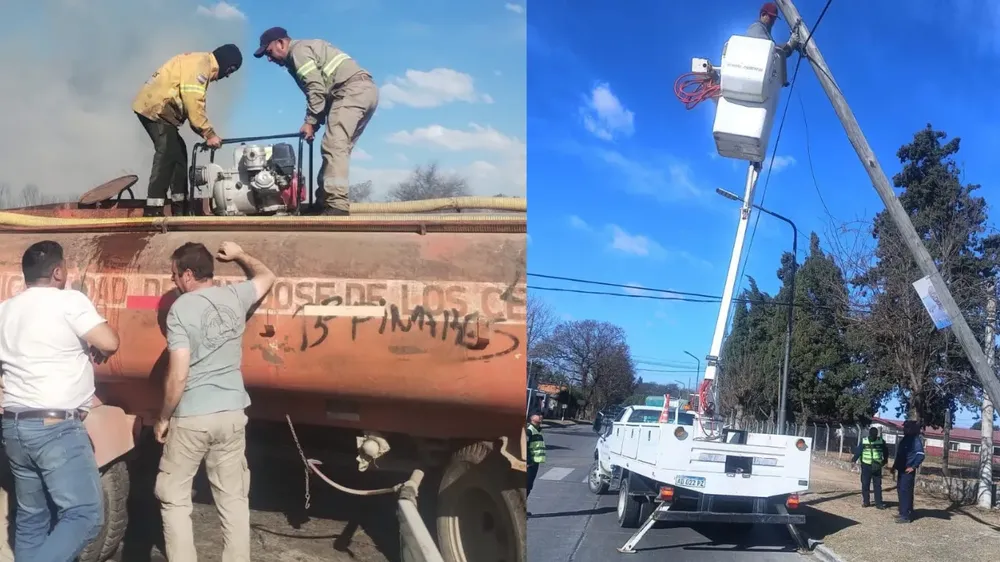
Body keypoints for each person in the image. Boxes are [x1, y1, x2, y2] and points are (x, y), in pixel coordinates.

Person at [153, 240, 276, 561]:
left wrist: (164, 416)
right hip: (232, 413)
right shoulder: (235, 295)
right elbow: (267, 276)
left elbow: (178, 374)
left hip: (193, 416)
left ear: (189, 275)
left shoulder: (181, 309)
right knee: (233, 499)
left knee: (175, 496)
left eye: (175, 275)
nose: (173, 281)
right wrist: (239, 256)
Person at [0, 240, 120, 561]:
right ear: (57, 271)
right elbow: (109, 341)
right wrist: (93, 346)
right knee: (85, 514)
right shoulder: (69, 301)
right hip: (56, 427)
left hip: (14, 426)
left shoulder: (5, 310)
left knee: (31, 518)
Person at [254, 27, 378, 216]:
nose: (269, 59)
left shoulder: (298, 52)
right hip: (363, 92)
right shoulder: (304, 50)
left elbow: (316, 90)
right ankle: (323, 202)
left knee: (334, 146)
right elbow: (322, 95)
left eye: (269, 53)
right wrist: (313, 124)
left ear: (281, 43)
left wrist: (310, 122)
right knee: (336, 148)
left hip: (351, 90)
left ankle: (337, 206)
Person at [133, 44, 244, 217]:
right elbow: (194, 104)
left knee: (179, 154)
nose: (227, 76)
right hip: (156, 109)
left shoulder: (200, 61)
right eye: (230, 71)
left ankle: (180, 207)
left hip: (160, 111)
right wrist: (209, 134)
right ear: (228, 66)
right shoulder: (201, 66)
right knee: (167, 152)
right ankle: (153, 210)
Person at [747, 2, 797, 87]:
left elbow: (777, 53)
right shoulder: (756, 27)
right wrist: (789, 44)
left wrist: (791, 47)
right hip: (753, 72)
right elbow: (766, 48)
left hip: (762, 77)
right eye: (771, 17)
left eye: (774, 18)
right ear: (763, 15)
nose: (773, 21)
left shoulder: (766, 34)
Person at [892, 420, 925, 524]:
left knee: (905, 492)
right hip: (901, 470)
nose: (904, 429)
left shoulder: (915, 440)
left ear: (912, 429)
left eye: (906, 427)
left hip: (907, 471)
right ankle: (905, 511)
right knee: (901, 491)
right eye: (904, 427)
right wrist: (894, 466)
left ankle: (905, 516)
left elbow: (920, 455)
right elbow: (899, 455)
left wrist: (913, 467)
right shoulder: (905, 439)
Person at [851, 427, 888, 509]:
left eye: (875, 435)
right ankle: (866, 502)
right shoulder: (864, 441)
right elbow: (859, 452)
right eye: (872, 435)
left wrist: (884, 461)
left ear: (877, 434)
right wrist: (853, 460)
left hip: (877, 466)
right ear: (870, 434)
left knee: (877, 485)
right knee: (865, 484)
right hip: (866, 465)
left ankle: (879, 503)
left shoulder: (881, 441)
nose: (873, 437)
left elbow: (885, 451)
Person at [526, 412, 546, 517]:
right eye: (538, 414)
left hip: (535, 463)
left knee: (529, 486)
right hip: (529, 464)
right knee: (526, 486)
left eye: (541, 415)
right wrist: (528, 462)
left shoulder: (538, 430)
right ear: (532, 418)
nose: (541, 416)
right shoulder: (529, 430)